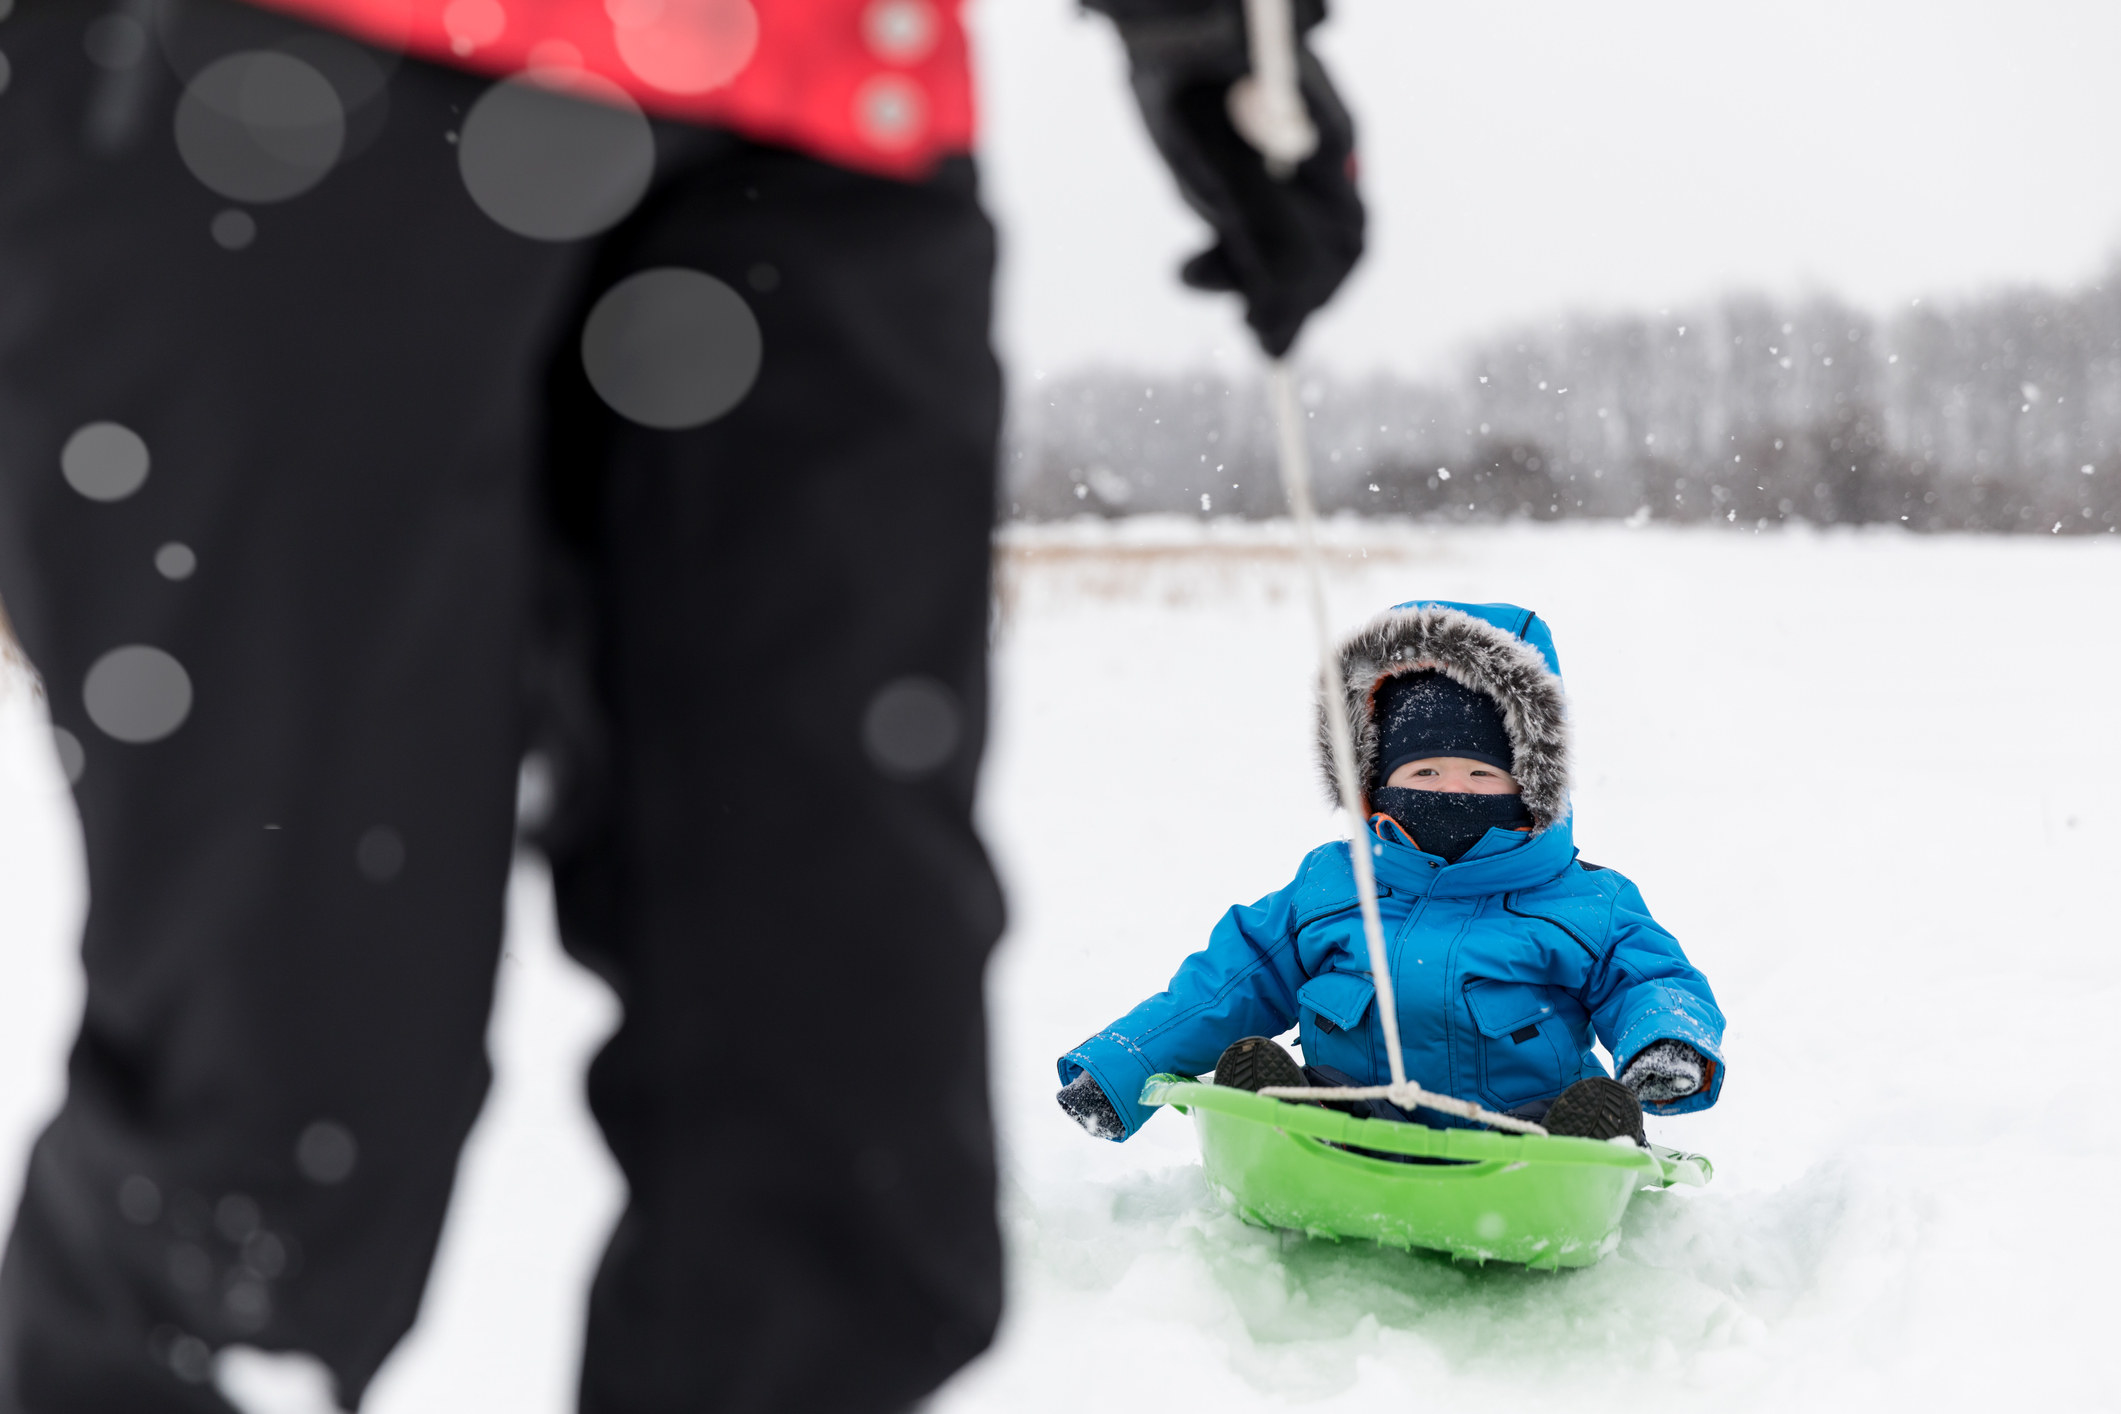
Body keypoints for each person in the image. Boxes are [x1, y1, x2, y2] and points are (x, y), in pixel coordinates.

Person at [0, 0, 1362, 1408]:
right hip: (276, 77)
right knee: (277, 1125)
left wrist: (1209, 26)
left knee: (843, 1144)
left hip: (827, 117)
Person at [1055, 600, 1725, 1148]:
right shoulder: (1332, 888)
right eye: (1424, 774)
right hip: (1344, 1130)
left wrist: (1666, 1044)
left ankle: (1591, 1145)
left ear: (1528, 784)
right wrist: (1124, 1065)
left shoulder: (1586, 903)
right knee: (1268, 1063)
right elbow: (1228, 984)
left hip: (1526, 1146)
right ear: (1377, 782)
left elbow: (1651, 980)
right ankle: (1275, 1120)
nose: (1451, 791)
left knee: (1582, 1114)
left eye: (1479, 775)